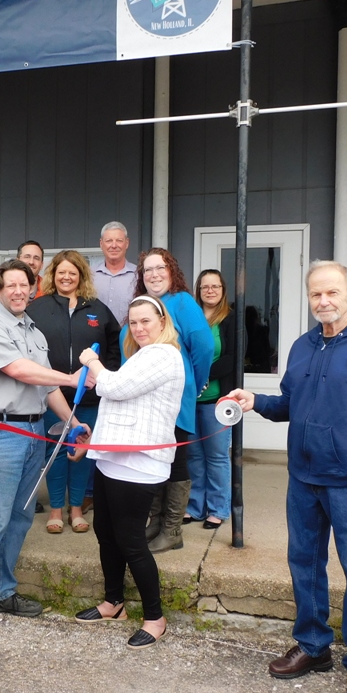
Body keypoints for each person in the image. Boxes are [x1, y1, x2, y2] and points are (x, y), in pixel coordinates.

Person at [227, 260, 347, 693]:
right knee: (305, 565)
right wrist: (255, 401)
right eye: (315, 294)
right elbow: (291, 404)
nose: (323, 301)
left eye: (332, 292)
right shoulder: (303, 346)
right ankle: (313, 645)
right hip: (304, 480)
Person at [0, 259, 91, 645]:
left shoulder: (34, 331)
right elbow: (19, 370)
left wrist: (74, 423)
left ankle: (0, 592)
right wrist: (72, 377)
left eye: (23, 285)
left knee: (19, 517)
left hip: (32, 431)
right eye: (9, 285)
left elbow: (47, 388)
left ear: (33, 289)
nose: (17, 291)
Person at [73, 295, 184, 650]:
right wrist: (94, 441)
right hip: (113, 458)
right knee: (106, 532)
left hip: (139, 464)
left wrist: (92, 362)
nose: (138, 328)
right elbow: (121, 400)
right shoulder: (141, 355)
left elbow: (114, 387)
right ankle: (114, 603)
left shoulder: (163, 354)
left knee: (131, 540)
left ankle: (155, 618)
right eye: (133, 322)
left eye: (145, 321)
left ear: (162, 322)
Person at [26, 250, 120, 534]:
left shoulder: (98, 310)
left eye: (72, 273)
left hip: (88, 398)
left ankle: (76, 508)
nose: (66, 277)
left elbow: (114, 349)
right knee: (54, 452)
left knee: (80, 450)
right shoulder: (37, 308)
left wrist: (102, 377)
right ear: (53, 275)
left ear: (81, 276)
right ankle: (56, 508)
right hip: (49, 396)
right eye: (61, 272)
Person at [131, 248, 213, 553]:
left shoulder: (182, 302)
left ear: (172, 271)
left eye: (160, 268)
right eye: (147, 269)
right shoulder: (144, 303)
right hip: (146, 398)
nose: (154, 274)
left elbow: (203, 346)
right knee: (154, 458)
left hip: (174, 397)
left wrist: (195, 382)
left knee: (176, 460)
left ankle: (172, 529)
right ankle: (157, 521)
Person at [186, 269, 239, 529]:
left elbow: (233, 358)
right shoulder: (191, 318)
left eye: (215, 286)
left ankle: (217, 509)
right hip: (191, 400)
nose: (210, 291)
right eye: (205, 286)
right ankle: (195, 507)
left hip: (217, 400)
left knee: (217, 457)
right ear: (198, 290)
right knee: (194, 456)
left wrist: (204, 375)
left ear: (222, 290)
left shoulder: (231, 319)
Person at [91, 222, 136, 325]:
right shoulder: (89, 275)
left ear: (127, 243)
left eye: (119, 241)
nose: (114, 245)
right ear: (101, 244)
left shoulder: (139, 275)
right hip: (96, 334)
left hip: (129, 334)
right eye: (109, 241)